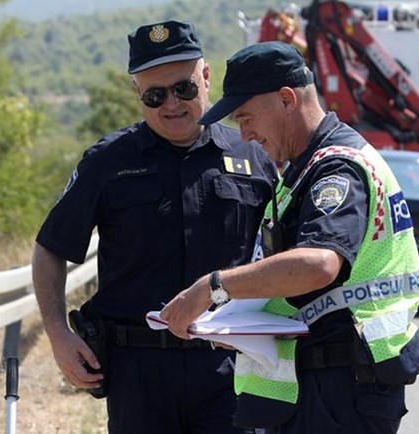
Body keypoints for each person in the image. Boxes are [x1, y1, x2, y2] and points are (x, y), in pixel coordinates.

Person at [160, 41, 419, 434]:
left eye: (246, 117)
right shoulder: (305, 168)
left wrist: (213, 289)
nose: (245, 134)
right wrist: (240, 326)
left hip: (337, 390)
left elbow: (318, 264)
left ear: (287, 99)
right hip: (328, 385)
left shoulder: (335, 170)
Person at [32, 21, 278, 433]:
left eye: (183, 88)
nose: (172, 104)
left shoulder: (253, 157)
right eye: (154, 95)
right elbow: (50, 248)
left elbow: (284, 255)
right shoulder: (107, 163)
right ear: (137, 94)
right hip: (138, 375)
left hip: (230, 366)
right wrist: (58, 335)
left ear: (206, 77)